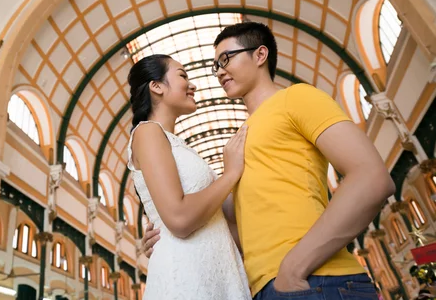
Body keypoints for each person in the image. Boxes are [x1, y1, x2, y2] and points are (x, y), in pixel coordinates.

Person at [143, 22, 395, 300]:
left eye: (226, 59)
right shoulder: (239, 141)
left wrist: (293, 268)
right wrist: (165, 236)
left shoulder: (296, 97)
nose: (219, 71)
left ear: (260, 55)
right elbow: (235, 225)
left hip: (317, 281)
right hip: (264, 288)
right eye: (216, 65)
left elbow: (372, 178)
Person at [126, 54, 251, 299]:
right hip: (186, 275)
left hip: (215, 273)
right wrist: (231, 174)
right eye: (183, 76)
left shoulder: (180, 146)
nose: (192, 84)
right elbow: (180, 218)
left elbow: (227, 218)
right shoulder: (147, 132)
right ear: (156, 86)